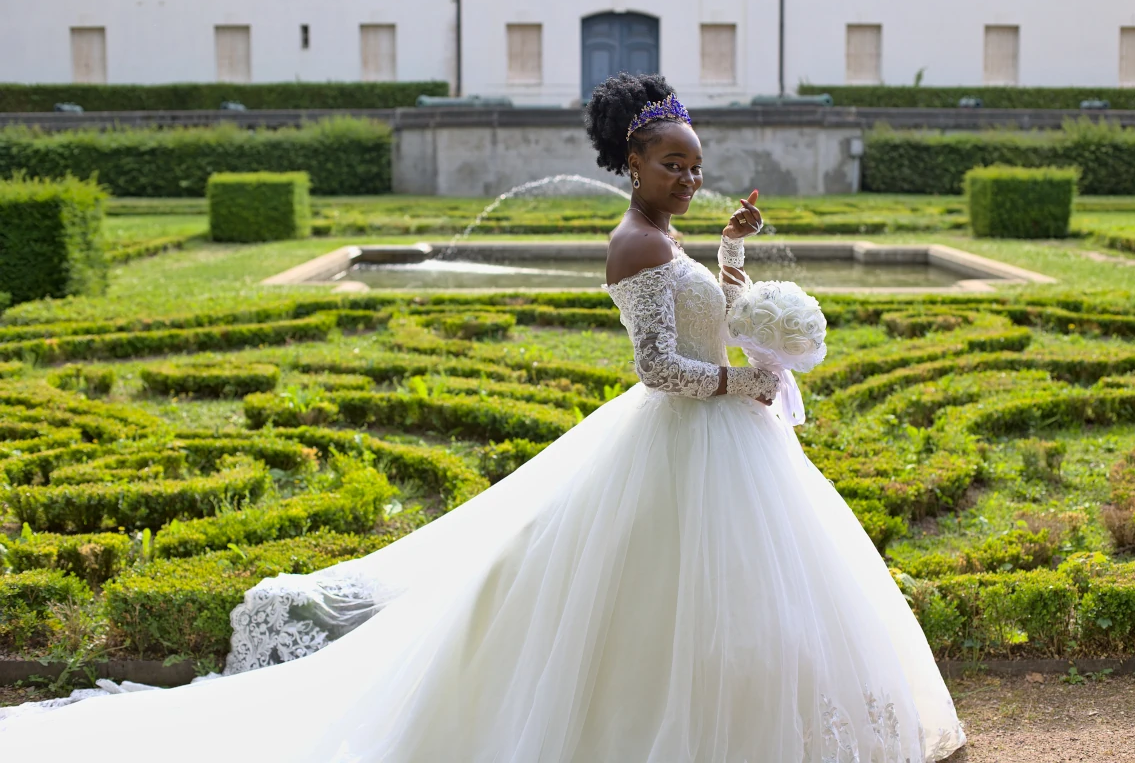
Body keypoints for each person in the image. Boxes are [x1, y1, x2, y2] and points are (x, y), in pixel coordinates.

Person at [0, 73, 966, 762]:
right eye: (673, 164)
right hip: (688, 434)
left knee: (751, 594)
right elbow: (658, 366)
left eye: (696, 166)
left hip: (729, 436)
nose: (688, 178)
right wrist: (735, 387)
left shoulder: (671, 231)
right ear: (632, 161)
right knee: (656, 598)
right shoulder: (631, 243)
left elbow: (708, 317)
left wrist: (730, 253)